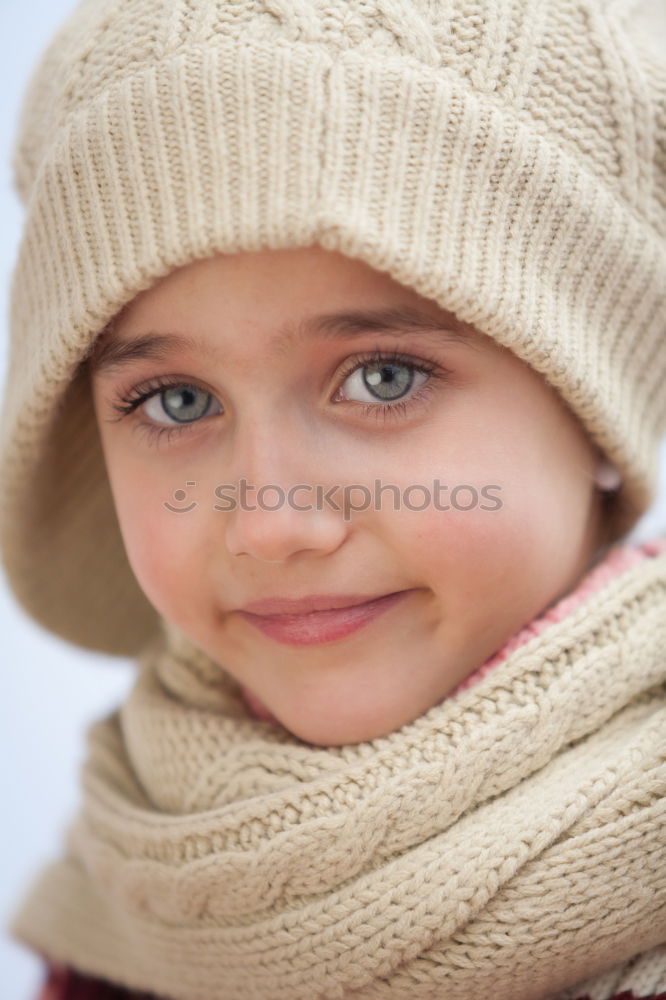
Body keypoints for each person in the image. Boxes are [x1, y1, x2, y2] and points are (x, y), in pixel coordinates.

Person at [1, 0, 665, 998]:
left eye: (384, 378)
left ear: (597, 399)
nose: (270, 523)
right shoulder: (131, 891)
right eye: (174, 400)